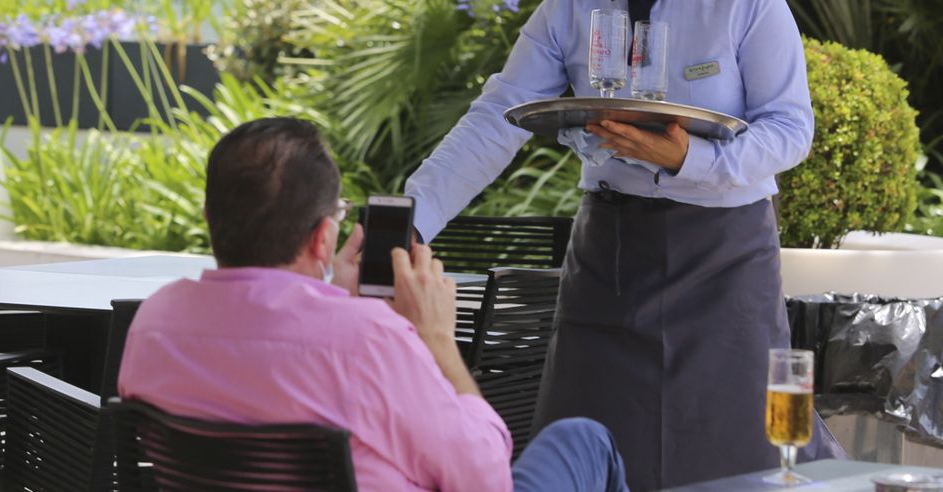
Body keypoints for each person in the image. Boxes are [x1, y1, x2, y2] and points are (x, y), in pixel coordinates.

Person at [404, 0, 840, 489]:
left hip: (724, 264)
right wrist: (408, 221)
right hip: (608, 257)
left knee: (735, 467)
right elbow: (498, 119)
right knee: (580, 457)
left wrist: (689, 159)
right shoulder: (573, 1)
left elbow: (791, 130)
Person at [119, 118, 629, 492]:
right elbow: (485, 481)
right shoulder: (368, 341)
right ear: (324, 238)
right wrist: (436, 342)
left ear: (210, 216)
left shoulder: (154, 322)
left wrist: (334, 302)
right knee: (583, 440)